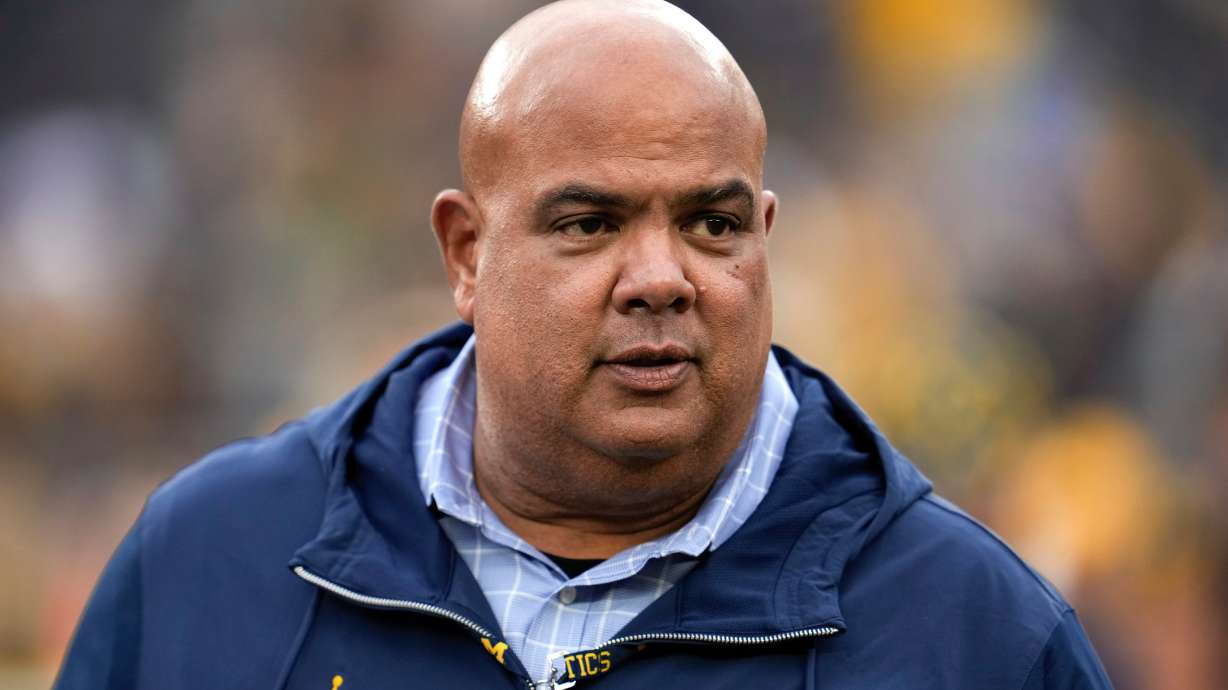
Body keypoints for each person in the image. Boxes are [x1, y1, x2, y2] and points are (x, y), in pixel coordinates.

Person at [55, 1, 1114, 688]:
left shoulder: (973, 635)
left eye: (712, 223)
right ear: (466, 252)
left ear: (766, 241)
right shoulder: (209, 562)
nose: (660, 280)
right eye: (587, 224)